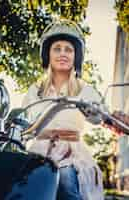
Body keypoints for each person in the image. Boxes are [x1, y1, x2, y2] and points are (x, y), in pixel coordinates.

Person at [22, 19, 104, 200]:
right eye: (57, 48)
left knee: (67, 182)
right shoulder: (34, 91)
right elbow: (22, 121)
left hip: (72, 154)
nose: (63, 53)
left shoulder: (85, 90)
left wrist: (95, 112)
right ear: (48, 54)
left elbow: (99, 117)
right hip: (39, 152)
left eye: (69, 49)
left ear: (76, 55)